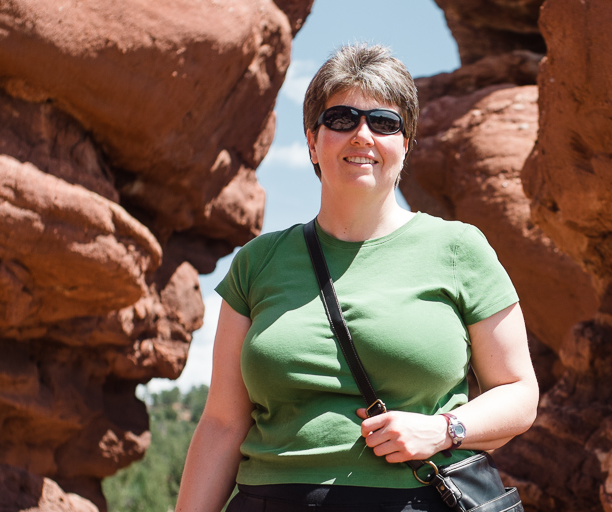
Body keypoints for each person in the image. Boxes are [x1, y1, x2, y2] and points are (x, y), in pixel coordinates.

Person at [175, 44, 538, 512]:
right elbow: (222, 424)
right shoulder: (258, 262)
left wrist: (443, 430)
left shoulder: (458, 249)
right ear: (312, 141)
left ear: (404, 145)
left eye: (384, 122)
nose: (362, 135)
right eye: (342, 119)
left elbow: (519, 393)